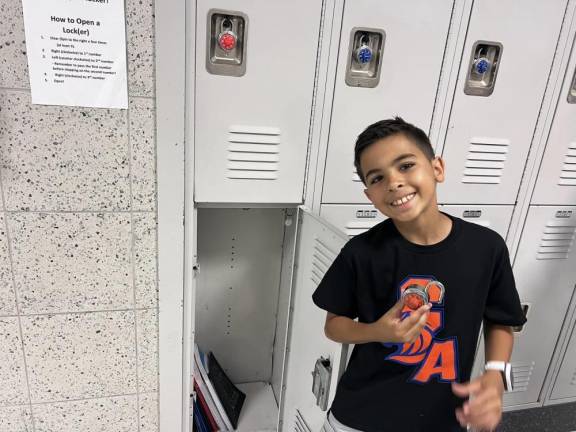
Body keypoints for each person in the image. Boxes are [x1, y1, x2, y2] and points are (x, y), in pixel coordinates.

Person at [312, 117, 526, 432]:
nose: (394, 182)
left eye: (406, 165)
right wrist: (378, 331)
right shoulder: (360, 252)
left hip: (443, 418)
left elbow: (500, 319)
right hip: (360, 417)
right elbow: (335, 327)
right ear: (369, 195)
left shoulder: (486, 248)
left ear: (437, 168)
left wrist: (495, 376)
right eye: (377, 178)